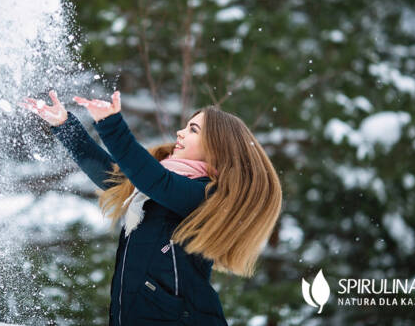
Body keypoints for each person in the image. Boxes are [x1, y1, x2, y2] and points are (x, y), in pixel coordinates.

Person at [19, 89, 283, 326]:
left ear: (217, 146)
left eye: (193, 130)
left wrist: (111, 124)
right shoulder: (156, 185)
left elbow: (154, 180)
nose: (180, 132)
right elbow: (109, 175)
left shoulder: (205, 195)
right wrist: (64, 125)